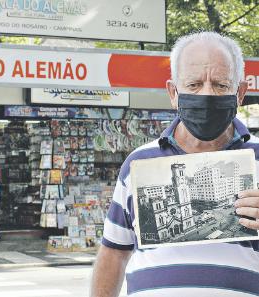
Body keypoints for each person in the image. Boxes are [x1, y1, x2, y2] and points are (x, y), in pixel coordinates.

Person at [90, 32, 259, 297]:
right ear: (173, 92)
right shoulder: (138, 163)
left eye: (220, 85)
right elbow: (114, 251)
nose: (206, 94)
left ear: (239, 93)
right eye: (193, 85)